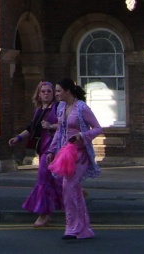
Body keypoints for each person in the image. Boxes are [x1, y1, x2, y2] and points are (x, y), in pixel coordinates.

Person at [46, 77, 103, 240]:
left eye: (58, 91)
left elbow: (98, 128)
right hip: (65, 153)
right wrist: (52, 150)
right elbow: (59, 131)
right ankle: (83, 229)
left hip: (79, 155)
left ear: (67, 91)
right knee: (75, 191)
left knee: (68, 188)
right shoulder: (61, 107)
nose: (56, 94)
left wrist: (81, 135)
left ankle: (71, 227)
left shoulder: (81, 108)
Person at [8, 81, 61, 227]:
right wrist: (18, 138)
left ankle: (43, 214)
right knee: (51, 180)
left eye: (49, 91)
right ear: (38, 94)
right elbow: (31, 128)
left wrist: (51, 126)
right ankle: (73, 193)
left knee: (43, 179)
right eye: (43, 91)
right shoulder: (39, 110)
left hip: (53, 149)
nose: (46, 93)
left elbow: (66, 125)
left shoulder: (57, 108)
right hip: (42, 148)